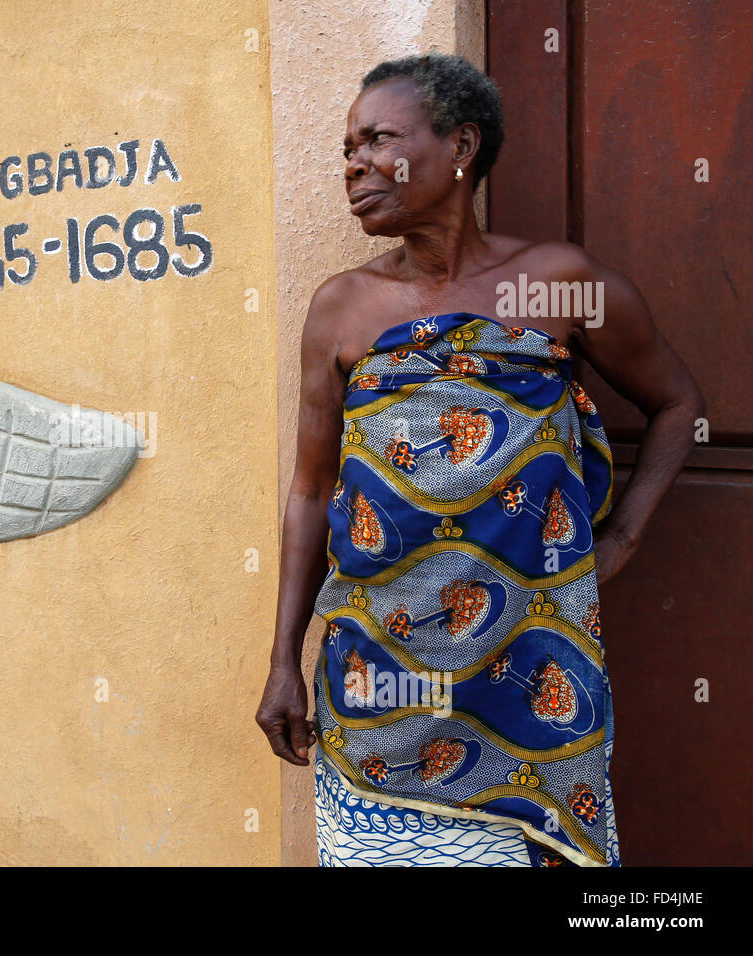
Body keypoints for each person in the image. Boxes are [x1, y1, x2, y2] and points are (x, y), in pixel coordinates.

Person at [256, 52, 704, 866]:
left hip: (529, 678)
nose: (354, 163)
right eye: (345, 149)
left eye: (378, 139)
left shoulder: (548, 285)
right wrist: (284, 659)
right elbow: (311, 489)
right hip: (377, 683)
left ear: (460, 146)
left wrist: (622, 540)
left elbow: (676, 404)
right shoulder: (343, 308)